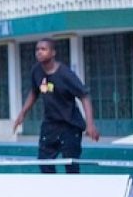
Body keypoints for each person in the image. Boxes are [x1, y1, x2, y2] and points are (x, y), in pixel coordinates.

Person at [12, 37, 100, 173]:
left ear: (53, 53)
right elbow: (34, 92)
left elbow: (84, 97)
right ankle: (54, 190)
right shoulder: (36, 71)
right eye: (37, 49)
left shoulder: (65, 74)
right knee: (44, 163)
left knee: (71, 165)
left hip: (70, 126)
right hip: (50, 125)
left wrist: (90, 124)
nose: (39, 52)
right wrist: (22, 113)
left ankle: (73, 192)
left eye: (43, 49)